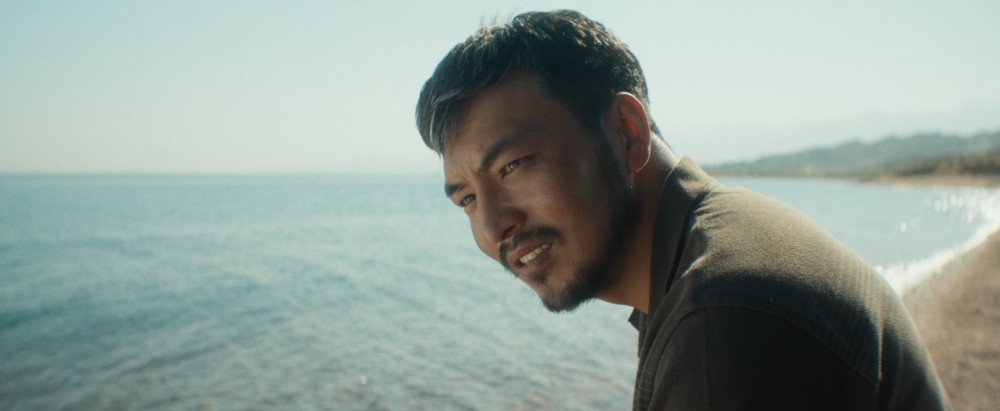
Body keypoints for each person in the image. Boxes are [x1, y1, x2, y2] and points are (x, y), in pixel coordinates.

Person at [414, 9, 950, 410]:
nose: (493, 226)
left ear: (627, 132)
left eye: (513, 165)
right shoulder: (710, 253)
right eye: (467, 199)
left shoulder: (721, 316)